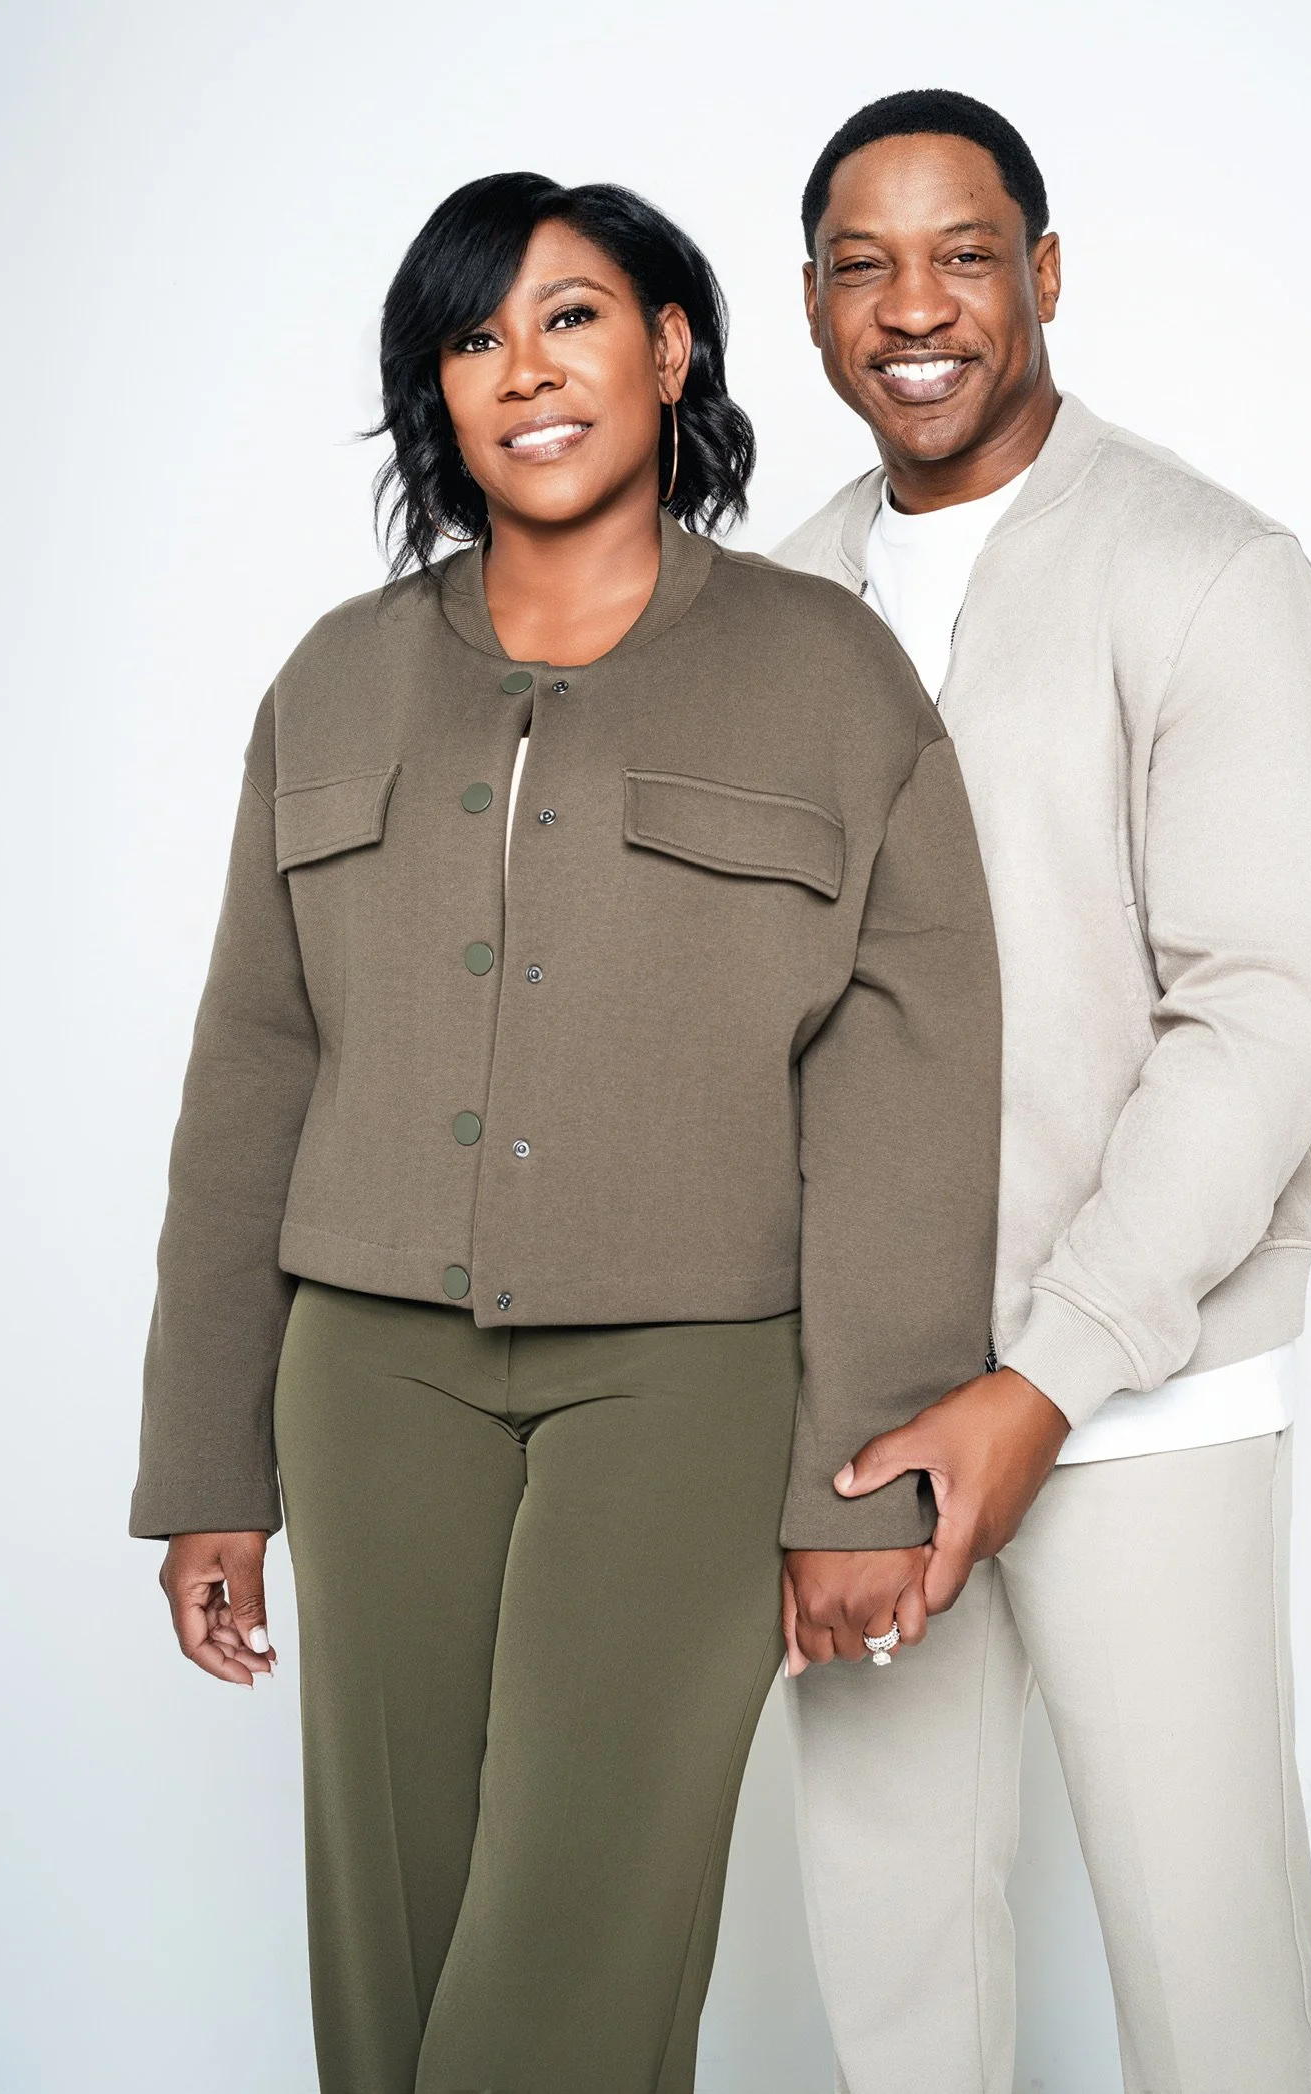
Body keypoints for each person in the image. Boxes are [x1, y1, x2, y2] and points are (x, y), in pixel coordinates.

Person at [129, 169, 1003, 2094]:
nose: (521, 367)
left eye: (570, 315)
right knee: (396, 1929)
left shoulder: (822, 673)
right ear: (433, 396)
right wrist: (210, 1456)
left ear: (672, 345)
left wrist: (848, 1481)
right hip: (365, 1372)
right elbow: (250, 1070)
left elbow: (907, 1082)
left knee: (578, 1934)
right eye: (470, 335)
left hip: (687, 1380)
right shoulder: (333, 679)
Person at [776, 91, 1311, 2094]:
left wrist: (1044, 1376)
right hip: (857, 1420)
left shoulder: (1207, 572)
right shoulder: (771, 612)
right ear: (808, 305)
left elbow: (1257, 1016)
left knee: (1209, 1983)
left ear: (1040, 273)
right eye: (862, 262)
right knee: (891, 1981)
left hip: (1143, 1392)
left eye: (961, 252)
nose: (912, 305)